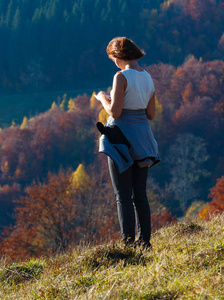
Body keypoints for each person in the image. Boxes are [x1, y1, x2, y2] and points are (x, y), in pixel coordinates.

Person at [96, 37, 159, 248]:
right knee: (139, 193)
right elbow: (150, 114)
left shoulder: (120, 77)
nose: (114, 63)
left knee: (122, 195)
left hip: (121, 139)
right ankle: (145, 242)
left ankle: (128, 244)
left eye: (113, 58)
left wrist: (103, 98)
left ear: (119, 56)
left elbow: (115, 111)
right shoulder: (149, 78)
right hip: (143, 140)